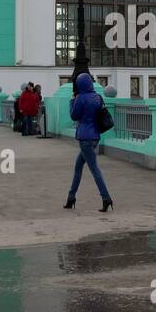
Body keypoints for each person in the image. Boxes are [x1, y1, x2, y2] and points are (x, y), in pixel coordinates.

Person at [64, 72, 112, 212]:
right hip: (95, 137)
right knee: (78, 167)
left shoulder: (80, 98)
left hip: (84, 138)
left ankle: (106, 198)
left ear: (79, 85)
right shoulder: (97, 97)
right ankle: (71, 198)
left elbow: (74, 116)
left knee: (94, 169)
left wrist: (72, 102)